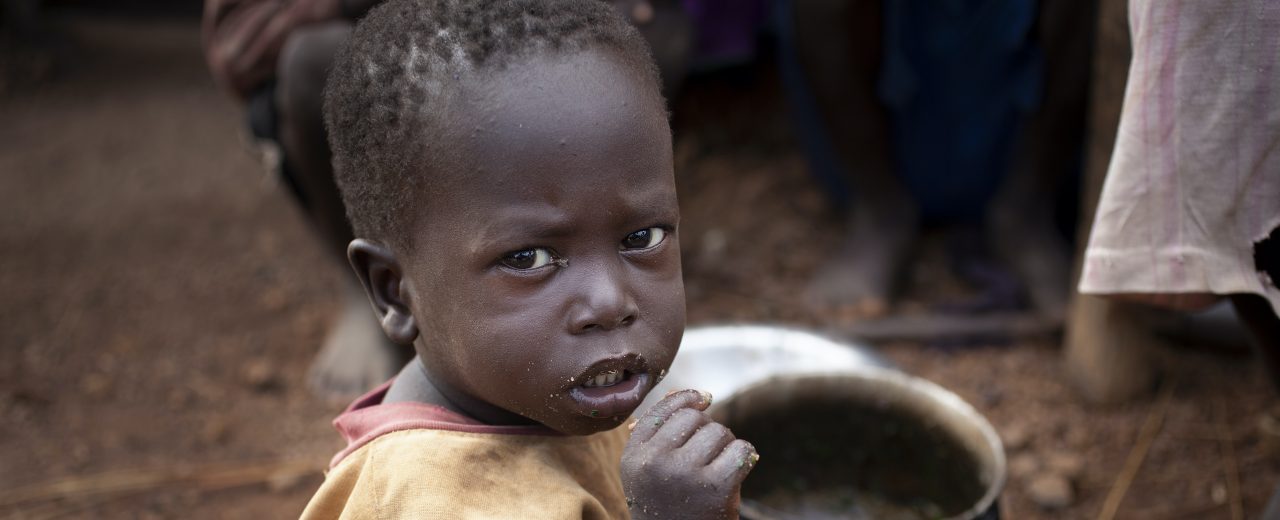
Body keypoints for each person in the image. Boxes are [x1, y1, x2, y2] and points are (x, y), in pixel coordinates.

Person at [300, 0, 758, 517]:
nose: (610, 302)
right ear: (394, 290)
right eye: (529, 256)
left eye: (641, 237)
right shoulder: (433, 499)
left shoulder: (532, 397)